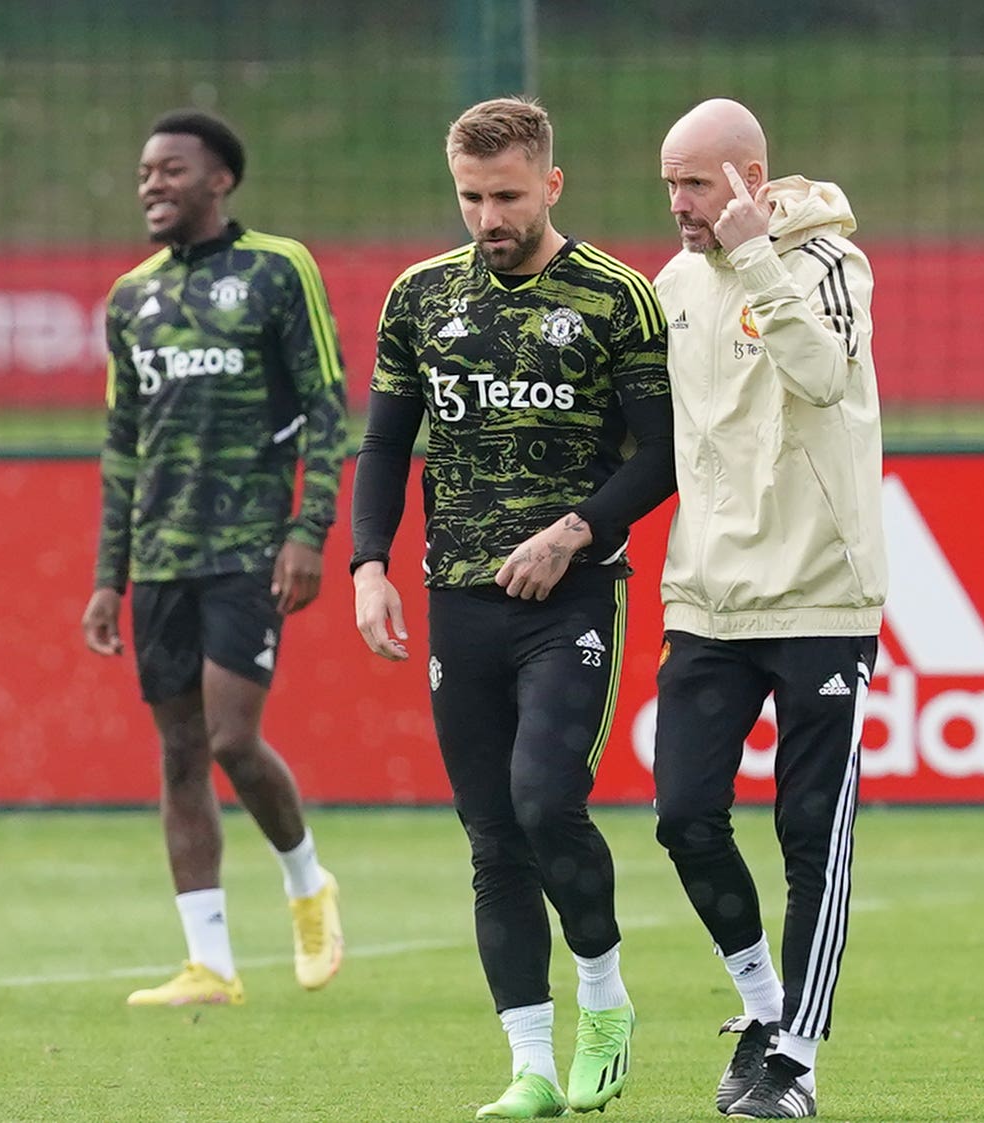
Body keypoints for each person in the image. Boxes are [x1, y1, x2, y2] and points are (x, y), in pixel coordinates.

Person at [351, 95, 675, 1119]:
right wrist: (368, 563)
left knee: (545, 803)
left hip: (570, 598)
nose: (487, 218)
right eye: (469, 197)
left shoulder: (615, 297)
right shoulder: (417, 298)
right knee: (492, 836)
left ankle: (605, 1001)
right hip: (460, 602)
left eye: (505, 196)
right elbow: (384, 446)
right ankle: (531, 1066)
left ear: (551, 185)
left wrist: (574, 530)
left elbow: (666, 452)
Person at [651, 97, 886, 1119]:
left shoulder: (830, 263)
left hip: (818, 595)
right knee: (683, 817)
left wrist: (757, 259)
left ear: (748, 175)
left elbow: (823, 378)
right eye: (667, 183)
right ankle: (761, 1002)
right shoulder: (669, 283)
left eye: (695, 182)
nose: (678, 204)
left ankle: (792, 1064)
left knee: (808, 836)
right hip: (705, 596)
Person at [81, 109, 347, 1007]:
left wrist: (309, 531)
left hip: (246, 546)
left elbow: (325, 404)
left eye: (171, 169)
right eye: (144, 172)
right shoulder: (130, 297)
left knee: (233, 736)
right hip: (159, 556)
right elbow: (123, 441)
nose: (152, 183)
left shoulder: (277, 267)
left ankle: (307, 881)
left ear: (220, 178)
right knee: (180, 754)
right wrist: (106, 576)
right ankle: (210, 964)